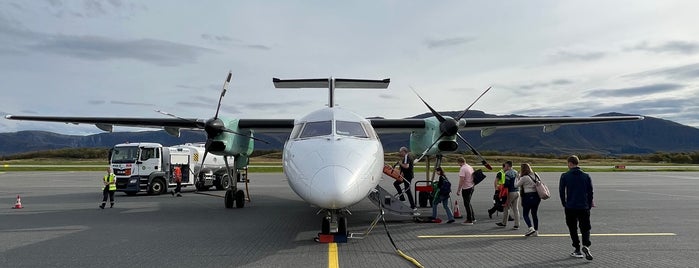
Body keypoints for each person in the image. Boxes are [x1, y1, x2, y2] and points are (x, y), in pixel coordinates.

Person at [560, 155, 594, 261]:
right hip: (583, 206)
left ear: (570, 163)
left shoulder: (565, 176)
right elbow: (590, 192)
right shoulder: (586, 176)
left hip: (570, 206)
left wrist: (564, 203)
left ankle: (577, 248)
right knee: (585, 227)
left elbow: (562, 192)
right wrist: (588, 204)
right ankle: (586, 245)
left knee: (572, 228)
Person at [516, 163, 541, 236]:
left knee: (525, 214)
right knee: (534, 214)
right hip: (536, 196)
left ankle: (530, 228)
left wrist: (518, 177)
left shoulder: (524, 177)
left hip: (528, 196)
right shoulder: (536, 174)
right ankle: (536, 231)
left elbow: (516, 185)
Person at [496, 161, 520, 230]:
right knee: (515, 209)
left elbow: (506, 184)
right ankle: (517, 224)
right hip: (517, 191)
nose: (504, 167)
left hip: (510, 192)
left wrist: (501, 186)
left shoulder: (507, 173)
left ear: (509, 166)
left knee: (506, 207)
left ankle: (504, 223)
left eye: (506, 166)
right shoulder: (516, 172)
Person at [455, 157, 476, 225]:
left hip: (466, 188)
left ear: (459, 162)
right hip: (471, 186)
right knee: (468, 203)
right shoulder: (469, 166)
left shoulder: (463, 168)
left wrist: (458, 190)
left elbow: (461, 180)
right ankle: (473, 217)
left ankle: (469, 220)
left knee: (466, 204)